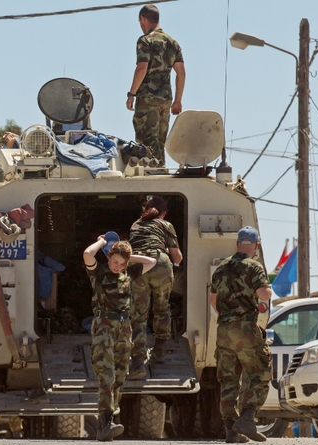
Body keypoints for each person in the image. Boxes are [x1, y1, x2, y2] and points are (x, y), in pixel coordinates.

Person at [83, 235, 156, 441]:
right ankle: (106, 422)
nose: (117, 266)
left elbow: (152, 262)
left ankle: (106, 422)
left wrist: (128, 257)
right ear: (108, 258)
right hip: (104, 326)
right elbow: (88, 254)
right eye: (115, 261)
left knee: (120, 375)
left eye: (121, 263)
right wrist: (101, 242)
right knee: (107, 374)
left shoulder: (129, 273)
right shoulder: (99, 272)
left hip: (124, 328)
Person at [209, 226, 272, 443]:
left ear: (237, 244)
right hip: (245, 328)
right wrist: (268, 291)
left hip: (224, 330)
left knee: (228, 379)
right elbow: (263, 294)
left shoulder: (221, 268)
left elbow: (214, 303)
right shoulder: (254, 267)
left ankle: (231, 430)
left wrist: (228, 316)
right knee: (260, 372)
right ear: (255, 246)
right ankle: (247, 416)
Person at [126, 196, 183, 379]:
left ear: (145, 210)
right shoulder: (166, 225)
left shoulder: (135, 225)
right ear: (164, 212)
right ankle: (159, 350)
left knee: (138, 315)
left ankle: (137, 363)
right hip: (159, 263)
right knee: (162, 307)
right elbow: (177, 258)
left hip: (139, 265)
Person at [126, 4, 185, 167]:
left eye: (140, 21)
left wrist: (131, 94)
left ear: (143, 19)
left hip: (147, 99)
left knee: (146, 144)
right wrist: (178, 101)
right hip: (165, 100)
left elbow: (141, 68)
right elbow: (181, 72)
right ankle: (160, 174)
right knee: (160, 143)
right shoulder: (173, 43)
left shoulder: (145, 41)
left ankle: (152, 178)